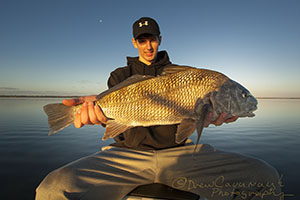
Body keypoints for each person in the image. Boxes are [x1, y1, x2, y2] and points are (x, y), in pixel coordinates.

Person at [36, 17, 281, 200]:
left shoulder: (185, 74)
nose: (148, 45)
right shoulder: (119, 76)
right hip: (127, 155)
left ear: (160, 39)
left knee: (266, 176)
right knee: (51, 188)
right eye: (142, 40)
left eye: (152, 39)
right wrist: (98, 117)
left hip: (179, 155)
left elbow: (187, 128)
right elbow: (118, 127)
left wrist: (213, 117)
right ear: (134, 42)